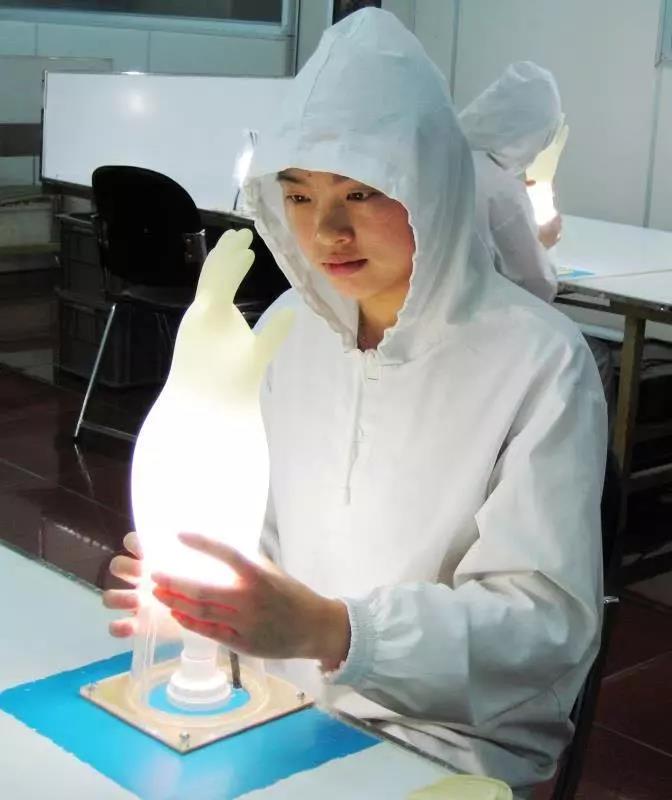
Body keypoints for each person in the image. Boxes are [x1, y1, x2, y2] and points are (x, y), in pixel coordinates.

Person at [104, 9, 608, 797]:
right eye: (299, 196)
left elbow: (542, 631)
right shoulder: (287, 330)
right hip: (276, 704)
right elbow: (256, 526)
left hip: (442, 743)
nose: (327, 231)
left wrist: (336, 630)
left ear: (431, 185)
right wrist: (200, 596)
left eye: (362, 192)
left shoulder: (538, 361)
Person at [459, 61, 564, 303]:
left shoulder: (441, 157)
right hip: (475, 315)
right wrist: (543, 243)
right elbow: (536, 288)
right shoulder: (500, 189)